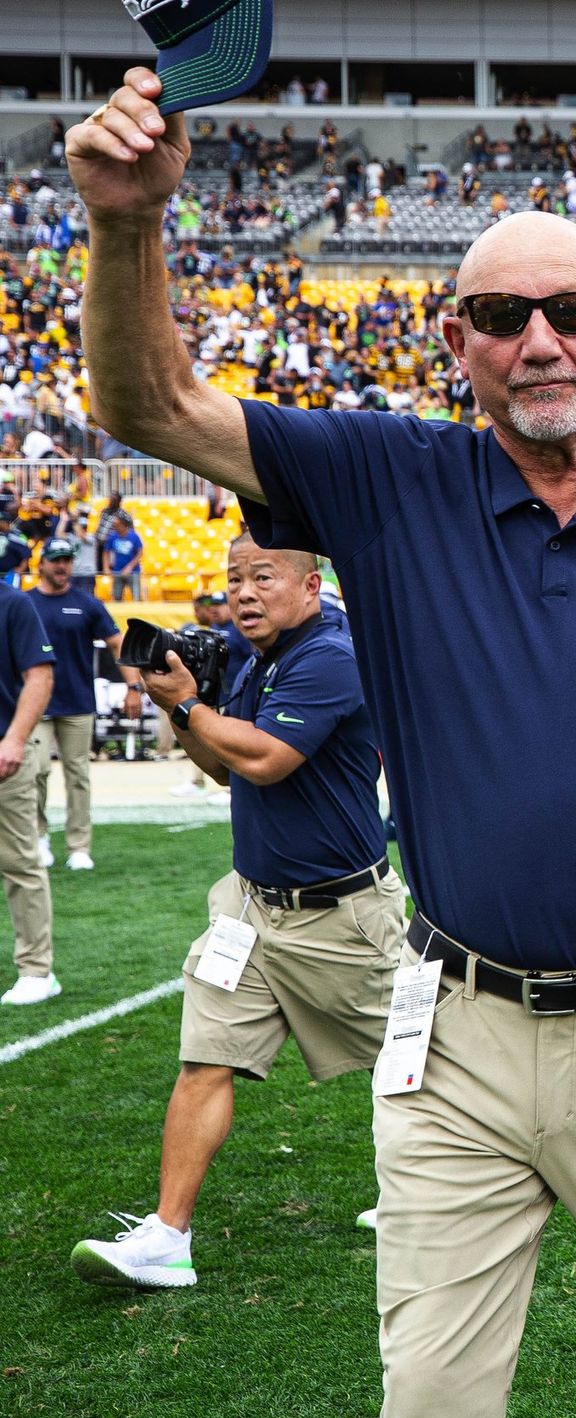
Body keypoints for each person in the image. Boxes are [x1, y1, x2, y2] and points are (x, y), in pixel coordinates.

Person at [70, 74, 576, 1418]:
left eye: (575, 312)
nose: (541, 341)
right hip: (457, 1028)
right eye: (502, 316)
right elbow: (151, 405)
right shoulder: (387, 479)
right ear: (457, 338)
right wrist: (130, 226)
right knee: (429, 1403)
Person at [70, 537, 403, 1290]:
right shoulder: (258, 654)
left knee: (415, 1065)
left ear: (311, 587)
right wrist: (179, 707)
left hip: (341, 915)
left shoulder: (330, 653)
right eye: (233, 579)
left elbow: (264, 758)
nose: (243, 593)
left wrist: (187, 704)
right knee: (204, 1059)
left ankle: (426, 1196)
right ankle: (166, 1238)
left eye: (262, 577)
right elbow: (221, 766)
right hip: (250, 906)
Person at [29, 536, 141, 872]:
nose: (63, 566)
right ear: (42, 563)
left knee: (78, 775)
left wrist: (133, 685)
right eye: (56, 559)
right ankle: (38, 836)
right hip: (34, 703)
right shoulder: (24, 603)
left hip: (78, 702)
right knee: (35, 771)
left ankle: (79, 845)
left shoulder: (87, 603)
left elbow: (117, 643)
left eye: (67, 559)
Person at [0, 582, 55, 1005]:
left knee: (19, 861)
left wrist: (15, 739)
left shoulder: (13, 603)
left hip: (3, 751)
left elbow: (39, 675)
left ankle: (38, 969)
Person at [104, 512, 145, 600]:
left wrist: (130, 566)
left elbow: (140, 553)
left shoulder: (134, 537)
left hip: (133, 572)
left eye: (118, 525)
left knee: (136, 596)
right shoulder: (113, 537)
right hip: (117, 571)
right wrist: (106, 567)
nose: (115, 526)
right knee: (117, 597)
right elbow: (106, 552)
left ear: (124, 525)